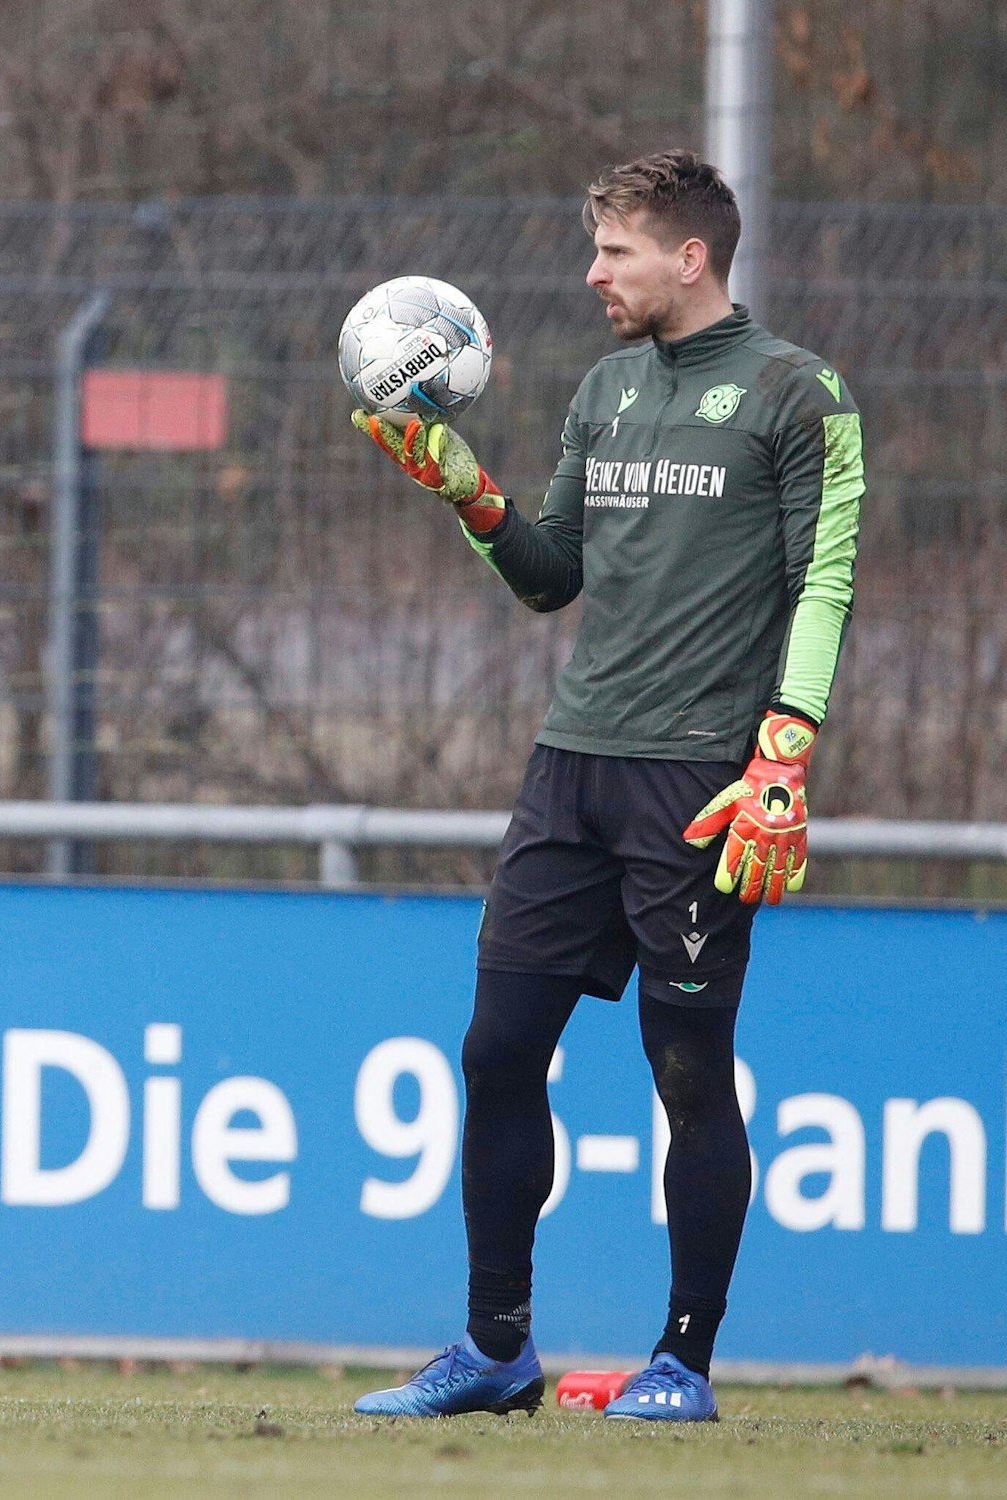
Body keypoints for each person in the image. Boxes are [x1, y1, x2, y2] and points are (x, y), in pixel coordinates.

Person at [349, 150, 863, 1422]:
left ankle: (680, 1362)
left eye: (614, 251)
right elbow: (547, 574)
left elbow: (824, 580)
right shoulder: (605, 388)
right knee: (496, 1049)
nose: (592, 273)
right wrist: (463, 490)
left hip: (699, 783)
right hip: (568, 768)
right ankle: (493, 1351)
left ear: (688, 256)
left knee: (687, 1067)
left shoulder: (799, 396)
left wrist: (783, 750)